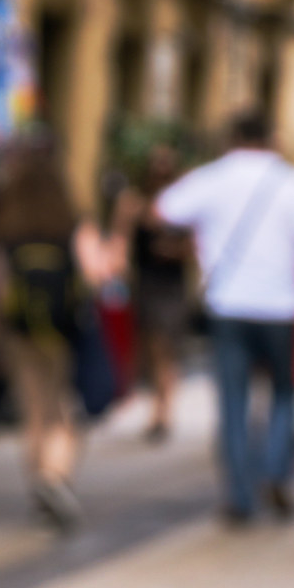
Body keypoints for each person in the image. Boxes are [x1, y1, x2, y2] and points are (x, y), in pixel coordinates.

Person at [154, 108, 294, 522]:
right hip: (282, 306)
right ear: (272, 137)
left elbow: (162, 210)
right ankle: (276, 471)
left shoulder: (212, 177)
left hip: (227, 305)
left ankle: (238, 495)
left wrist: (200, 235)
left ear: (231, 137)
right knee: (284, 394)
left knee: (234, 400)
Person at [0, 131, 90, 530]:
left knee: (31, 411)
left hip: (18, 328)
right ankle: (55, 478)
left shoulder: (5, 225)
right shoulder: (70, 221)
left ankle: (38, 486)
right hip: (61, 328)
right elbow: (97, 271)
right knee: (60, 408)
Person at [121, 143, 191, 442]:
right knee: (148, 349)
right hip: (143, 283)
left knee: (166, 348)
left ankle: (163, 411)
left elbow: (195, 245)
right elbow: (121, 242)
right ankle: (156, 404)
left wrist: (174, 250)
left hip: (171, 285)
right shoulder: (132, 203)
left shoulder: (184, 203)